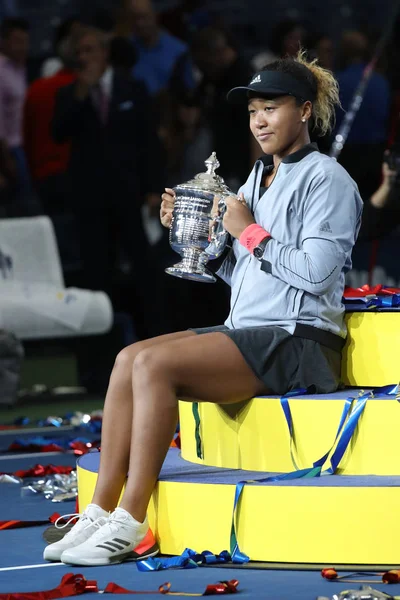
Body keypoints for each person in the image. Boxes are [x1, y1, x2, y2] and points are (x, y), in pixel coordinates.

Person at [43, 51, 362, 567]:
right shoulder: (258, 178)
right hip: (255, 332)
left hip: (300, 341)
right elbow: (246, 272)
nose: (259, 120)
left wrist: (248, 231)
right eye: (254, 110)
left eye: (272, 108)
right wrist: (194, 243)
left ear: (305, 111)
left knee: (153, 364)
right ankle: (99, 512)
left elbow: (317, 273)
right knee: (128, 358)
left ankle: (130, 516)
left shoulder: (328, 179)